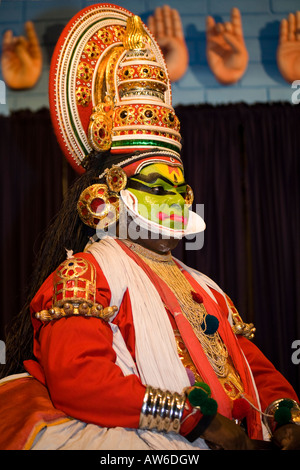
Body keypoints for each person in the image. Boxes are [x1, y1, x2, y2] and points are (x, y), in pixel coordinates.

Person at [0, 4, 299, 451]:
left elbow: (255, 371)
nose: (178, 201)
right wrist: (197, 422)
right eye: (159, 186)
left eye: (181, 189)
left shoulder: (207, 289)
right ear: (109, 195)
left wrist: (286, 416)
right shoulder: (85, 274)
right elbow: (81, 379)